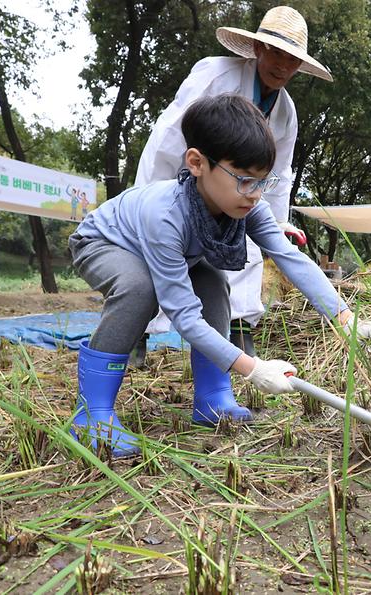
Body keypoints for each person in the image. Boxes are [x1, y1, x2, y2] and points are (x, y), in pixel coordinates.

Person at [67, 94, 371, 456]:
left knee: (213, 279)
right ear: (197, 163)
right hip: (105, 243)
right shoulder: (166, 215)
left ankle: (212, 396)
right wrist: (252, 368)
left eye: (262, 181)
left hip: (171, 252)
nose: (255, 194)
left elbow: (290, 258)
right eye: (244, 180)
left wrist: (344, 317)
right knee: (139, 289)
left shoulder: (248, 206)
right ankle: (92, 414)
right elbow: (184, 316)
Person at [134, 5, 331, 364]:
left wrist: (277, 220)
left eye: (292, 59)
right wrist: (154, 194)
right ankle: (136, 333)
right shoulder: (216, 75)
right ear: (257, 48)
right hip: (183, 179)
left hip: (238, 189)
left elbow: (279, 172)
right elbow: (169, 137)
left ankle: (241, 331)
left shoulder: (286, 112)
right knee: (155, 249)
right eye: (276, 53)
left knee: (249, 242)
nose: (283, 66)